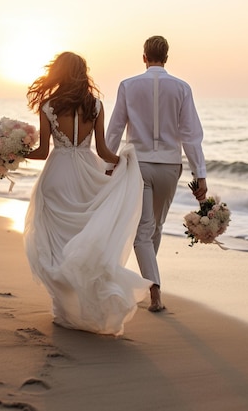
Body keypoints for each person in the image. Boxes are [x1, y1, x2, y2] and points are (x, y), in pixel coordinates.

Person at [23, 52, 152, 336]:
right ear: (83, 73)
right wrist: (126, 163)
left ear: (57, 73)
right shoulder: (95, 105)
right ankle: (84, 306)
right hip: (86, 172)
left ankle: (64, 308)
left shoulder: (48, 105)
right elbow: (104, 151)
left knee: (55, 244)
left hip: (57, 175)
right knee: (84, 240)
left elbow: (43, 152)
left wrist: (15, 153)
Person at [106, 35, 207, 312]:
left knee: (145, 230)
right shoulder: (182, 88)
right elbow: (191, 135)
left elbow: (115, 128)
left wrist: (108, 164)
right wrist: (201, 174)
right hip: (169, 166)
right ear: (166, 56)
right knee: (154, 227)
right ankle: (153, 289)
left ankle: (154, 290)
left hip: (138, 164)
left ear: (143, 56)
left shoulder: (127, 85)